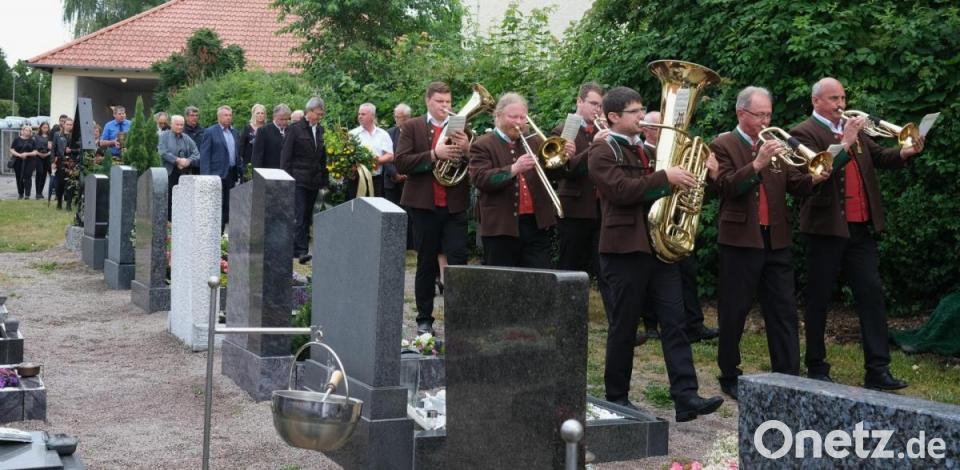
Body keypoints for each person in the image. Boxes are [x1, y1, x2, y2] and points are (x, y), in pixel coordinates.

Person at [588, 86, 723, 421]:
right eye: (635, 112)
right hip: (624, 249)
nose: (642, 116)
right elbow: (620, 191)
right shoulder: (602, 150)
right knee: (624, 326)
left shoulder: (649, 150)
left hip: (659, 247)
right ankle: (616, 396)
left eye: (641, 109)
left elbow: (671, 189)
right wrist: (666, 177)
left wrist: (699, 174)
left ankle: (686, 397)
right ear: (614, 117)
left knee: (675, 322)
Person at [790, 77, 923, 390]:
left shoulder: (856, 129)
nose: (841, 104)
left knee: (871, 294)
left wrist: (905, 153)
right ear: (816, 101)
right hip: (825, 228)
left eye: (842, 98)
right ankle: (816, 366)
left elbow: (880, 157)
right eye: (833, 99)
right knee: (819, 298)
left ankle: (878, 370)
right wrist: (846, 141)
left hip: (859, 226)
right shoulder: (803, 132)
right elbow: (815, 173)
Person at [711, 86, 830, 400]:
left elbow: (794, 184)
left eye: (768, 114)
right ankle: (729, 373)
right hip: (740, 239)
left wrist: (815, 179)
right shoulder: (723, 144)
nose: (765, 121)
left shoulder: (775, 145)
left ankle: (788, 375)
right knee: (734, 309)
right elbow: (724, 186)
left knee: (783, 310)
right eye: (759, 115)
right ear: (741, 113)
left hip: (776, 237)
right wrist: (757, 164)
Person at [394, 81, 471, 335]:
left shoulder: (461, 127)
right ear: (428, 101)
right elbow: (401, 162)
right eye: (440, 102)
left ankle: (459, 319)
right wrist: (434, 154)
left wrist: (467, 148)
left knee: (458, 261)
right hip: (424, 205)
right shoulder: (412, 126)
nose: (445, 106)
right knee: (426, 262)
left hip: (454, 204)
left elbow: (475, 162)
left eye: (448, 102)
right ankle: (424, 319)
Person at [637, 111, 719, 345]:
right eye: (659, 126)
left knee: (687, 271)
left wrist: (708, 174)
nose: (666, 130)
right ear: (646, 130)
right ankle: (651, 324)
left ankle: (694, 324)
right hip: (649, 219)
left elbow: (695, 188)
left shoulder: (678, 154)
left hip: (676, 219)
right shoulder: (641, 152)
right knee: (650, 275)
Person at [469, 92, 558, 268]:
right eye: (513, 117)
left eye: (522, 117)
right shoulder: (483, 144)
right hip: (501, 226)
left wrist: (563, 158)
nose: (519, 122)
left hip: (535, 223)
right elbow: (480, 178)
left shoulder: (534, 141)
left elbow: (553, 174)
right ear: (498, 116)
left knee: (540, 278)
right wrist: (514, 169)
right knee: (502, 279)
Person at [552, 82, 607, 275]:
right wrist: (594, 147)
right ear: (579, 101)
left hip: (602, 207)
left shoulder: (602, 130)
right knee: (571, 264)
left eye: (600, 105)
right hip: (575, 208)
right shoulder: (562, 131)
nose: (597, 109)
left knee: (602, 264)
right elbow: (563, 171)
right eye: (593, 104)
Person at [280, 97, 328, 265]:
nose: (320, 117)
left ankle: (296, 248)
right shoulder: (295, 129)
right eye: (318, 114)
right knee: (299, 215)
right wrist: (287, 179)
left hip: (313, 180)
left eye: (322, 114)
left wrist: (324, 180)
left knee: (307, 215)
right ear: (309, 111)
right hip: (298, 179)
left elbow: (322, 158)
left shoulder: (321, 130)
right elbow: (285, 157)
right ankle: (302, 251)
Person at [200, 105, 241, 233]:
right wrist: (205, 177)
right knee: (216, 205)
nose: (228, 118)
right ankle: (214, 233)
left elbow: (237, 154)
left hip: (231, 173)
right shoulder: (210, 132)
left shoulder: (234, 132)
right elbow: (205, 156)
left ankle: (223, 233)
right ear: (219, 117)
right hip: (216, 174)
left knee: (228, 205)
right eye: (225, 115)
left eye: (230, 115)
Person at [349, 103, 394, 198]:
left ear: (372, 116)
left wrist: (375, 161)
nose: (360, 116)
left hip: (376, 180)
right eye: (359, 114)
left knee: (374, 206)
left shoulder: (383, 134)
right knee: (356, 206)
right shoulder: (352, 134)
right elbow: (346, 156)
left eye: (363, 114)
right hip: (356, 180)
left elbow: (390, 156)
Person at [160, 115, 201, 219]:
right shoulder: (164, 136)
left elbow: (196, 153)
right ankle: (169, 220)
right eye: (177, 124)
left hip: (184, 173)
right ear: (171, 124)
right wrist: (177, 160)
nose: (179, 127)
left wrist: (188, 161)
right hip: (169, 172)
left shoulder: (186, 138)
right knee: (169, 197)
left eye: (181, 125)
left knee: (183, 197)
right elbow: (163, 152)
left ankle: (181, 219)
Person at [52, 118, 80, 210]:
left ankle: (68, 204)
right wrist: (53, 162)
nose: (69, 126)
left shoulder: (75, 136)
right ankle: (59, 202)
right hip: (60, 161)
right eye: (67, 124)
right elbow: (53, 149)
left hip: (72, 162)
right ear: (64, 125)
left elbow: (79, 149)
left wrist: (71, 150)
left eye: (71, 124)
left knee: (70, 183)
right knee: (59, 183)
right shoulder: (57, 135)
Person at [252, 104, 290, 169]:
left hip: (287, 170)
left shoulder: (291, 130)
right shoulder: (263, 131)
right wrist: (257, 172)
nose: (284, 122)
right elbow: (257, 155)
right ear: (274, 117)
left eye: (286, 119)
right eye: (281, 119)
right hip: (269, 170)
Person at [10, 125, 37, 200]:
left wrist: (27, 154)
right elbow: (12, 150)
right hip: (18, 160)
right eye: (25, 130)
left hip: (30, 161)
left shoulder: (32, 140)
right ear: (22, 131)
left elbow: (35, 152)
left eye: (29, 130)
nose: (27, 132)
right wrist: (19, 155)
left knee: (27, 176)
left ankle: (27, 195)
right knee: (19, 177)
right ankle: (20, 193)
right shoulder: (16, 139)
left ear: (30, 132)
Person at [240, 104, 267, 176]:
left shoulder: (268, 128)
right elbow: (241, 145)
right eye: (258, 113)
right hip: (248, 162)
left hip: (264, 162)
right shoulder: (247, 128)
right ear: (253, 114)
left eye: (262, 113)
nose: (260, 115)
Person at [32, 122, 53, 200]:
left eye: (46, 127)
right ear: (41, 128)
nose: (45, 129)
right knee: (39, 173)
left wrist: (47, 153)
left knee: (44, 174)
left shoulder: (50, 137)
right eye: (44, 127)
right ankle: (37, 193)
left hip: (47, 156)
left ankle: (40, 192)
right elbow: (33, 147)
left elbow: (53, 147)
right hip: (38, 156)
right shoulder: (36, 137)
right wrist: (39, 153)